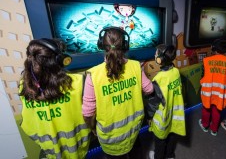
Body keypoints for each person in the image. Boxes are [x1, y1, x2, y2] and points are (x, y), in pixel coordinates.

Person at [82, 26, 153, 158]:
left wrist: (92, 128)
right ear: (125, 45)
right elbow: (149, 89)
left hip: (109, 139)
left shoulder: (93, 74)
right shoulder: (136, 65)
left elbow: (87, 113)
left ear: (102, 45)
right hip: (133, 130)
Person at [19, 38, 91, 159]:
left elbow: (28, 125)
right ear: (59, 60)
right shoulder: (78, 82)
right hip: (79, 150)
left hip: (49, 153)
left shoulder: (24, 86)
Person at [148, 44, 186, 159]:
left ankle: (158, 156)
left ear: (159, 59)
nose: (155, 55)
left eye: (156, 53)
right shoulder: (176, 71)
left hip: (163, 118)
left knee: (160, 141)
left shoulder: (158, 79)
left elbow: (153, 103)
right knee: (172, 136)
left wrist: (149, 117)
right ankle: (170, 155)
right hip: (174, 115)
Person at [199, 38, 226, 136]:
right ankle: (214, 129)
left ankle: (205, 125)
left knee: (206, 109)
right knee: (217, 110)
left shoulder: (206, 60)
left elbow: (202, 76)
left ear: (214, 48)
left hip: (208, 91)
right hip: (222, 93)